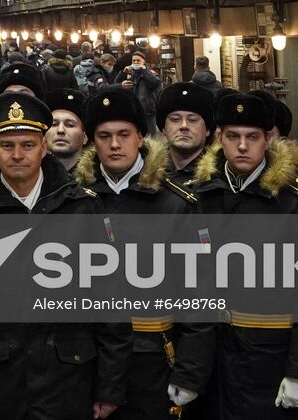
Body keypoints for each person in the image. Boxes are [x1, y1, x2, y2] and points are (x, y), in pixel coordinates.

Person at [0, 92, 128, 420]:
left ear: (44, 146)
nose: (17, 155)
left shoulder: (82, 207)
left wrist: (110, 385)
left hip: (67, 376)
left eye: (27, 145)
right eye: (7, 145)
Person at [71, 87, 212, 420]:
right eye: (104, 136)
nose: (115, 144)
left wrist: (190, 372)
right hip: (87, 359)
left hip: (152, 358)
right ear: (92, 141)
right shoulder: (74, 201)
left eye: (124, 134)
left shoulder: (174, 205)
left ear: (141, 138)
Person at [187, 93, 298, 418]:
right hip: (212, 359)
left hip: (272, 357)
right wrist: (188, 368)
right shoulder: (200, 196)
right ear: (218, 137)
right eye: (233, 136)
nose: (242, 146)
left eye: (252, 137)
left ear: (268, 139)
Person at [155, 82, 215, 182]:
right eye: (175, 119)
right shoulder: (148, 176)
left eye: (192, 120)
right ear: (164, 129)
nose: (184, 126)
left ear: (207, 130)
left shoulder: (219, 178)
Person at [43, 89, 88, 173]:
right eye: (54, 124)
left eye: (70, 125)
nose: (60, 130)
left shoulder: (97, 181)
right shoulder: (30, 179)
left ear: (85, 137)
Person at [118, 52, 161, 128]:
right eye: (133, 61)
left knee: (150, 137)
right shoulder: (130, 74)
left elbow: (155, 83)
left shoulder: (150, 72)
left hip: (147, 112)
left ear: (143, 62)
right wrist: (123, 73)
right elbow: (116, 85)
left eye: (138, 60)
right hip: (133, 111)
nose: (136, 63)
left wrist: (144, 71)